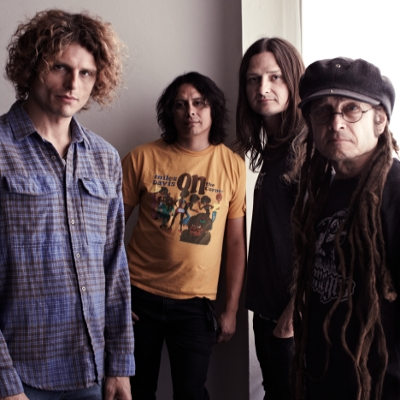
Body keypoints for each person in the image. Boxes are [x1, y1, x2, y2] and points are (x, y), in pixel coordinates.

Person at [0, 10, 134, 400]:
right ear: (32, 66)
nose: (74, 83)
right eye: (60, 67)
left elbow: (115, 267)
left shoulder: (105, 159)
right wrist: (5, 382)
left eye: (86, 73)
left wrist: (120, 366)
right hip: (18, 376)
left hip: (91, 373)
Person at [122, 71, 246, 400]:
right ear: (170, 112)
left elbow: (236, 243)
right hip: (138, 297)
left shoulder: (232, 165)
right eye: (180, 104)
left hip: (196, 304)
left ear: (213, 109)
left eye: (199, 103)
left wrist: (231, 309)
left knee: (191, 393)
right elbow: (106, 230)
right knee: (135, 390)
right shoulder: (141, 158)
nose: (190, 111)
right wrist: (112, 295)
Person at [292, 57, 400, 400]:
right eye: (322, 111)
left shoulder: (395, 191)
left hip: (382, 385)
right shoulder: (319, 190)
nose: (336, 122)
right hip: (324, 378)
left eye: (351, 109)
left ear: (379, 121)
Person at [234, 37, 306, 399]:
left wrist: (291, 317)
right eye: (253, 79)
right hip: (266, 310)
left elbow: (328, 240)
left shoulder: (308, 147)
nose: (263, 88)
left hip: (292, 320)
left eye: (275, 77)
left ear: (293, 81)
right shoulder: (274, 148)